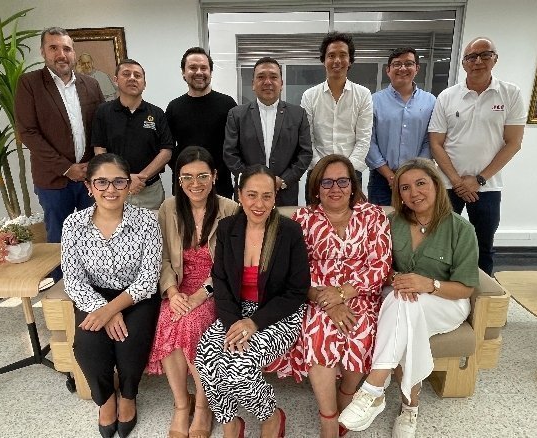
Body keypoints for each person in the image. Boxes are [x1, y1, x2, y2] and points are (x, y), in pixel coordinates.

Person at [339, 158, 479, 438]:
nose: (414, 192)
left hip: (446, 302)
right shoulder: (390, 223)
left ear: (436, 185)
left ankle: (373, 390)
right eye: (405, 187)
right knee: (406, 307)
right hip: (399, 298)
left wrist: (429, 284)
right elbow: (377, 266)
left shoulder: (461, 229)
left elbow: (465, 288)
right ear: (398, 195)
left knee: (405, 304)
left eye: (421, 183)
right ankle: (409, 408)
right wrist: (397, 279)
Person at [269, 154, 391, 438]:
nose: (335, 188)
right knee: (319, 332)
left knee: (360, 330)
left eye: (342, 181)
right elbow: (293, 269)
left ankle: (347, 394)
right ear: (316, 187)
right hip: (315, 296)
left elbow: (381, 265)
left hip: (361, 293)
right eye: (326, 182)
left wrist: (343, 293)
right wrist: (326, 300)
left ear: (353, 185)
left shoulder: (373, 216)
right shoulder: (302, 219)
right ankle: (328, 416)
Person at [194, 165, 310, 438]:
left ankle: (271, 416)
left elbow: (297, 291)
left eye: (267, 196)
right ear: (239, 195)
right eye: (252, 195)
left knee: (239, 370)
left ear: (274, 198)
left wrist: (254, 323)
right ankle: (231, 422)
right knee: (206, 359)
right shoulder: (227, 228)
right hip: (235, 312)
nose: (259, 204)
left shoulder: (289, 231)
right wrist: (235, 322)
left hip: (276, 314)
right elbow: (220, 281)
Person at [61, 153, 162, 438]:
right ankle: (105, 400)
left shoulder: (146, 221)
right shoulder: (74, 225)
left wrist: (111, 310)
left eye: (119, 181)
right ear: (89, 187)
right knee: (87, 346)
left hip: (137, 296)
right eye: (101, 182)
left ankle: (128, 397)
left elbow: (148, 279)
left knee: (130, 344)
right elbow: (73, 280)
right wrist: (102, 308)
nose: (111, 189)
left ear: (129, 185)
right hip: (93, 296)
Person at [146, 146, 238, 438]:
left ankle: (203, 404)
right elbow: (160, 257)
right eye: (187, 177)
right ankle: (181, 403)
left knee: (192, 323)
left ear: (214, 176)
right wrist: (172, 292)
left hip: (215, 288)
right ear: (179, 180)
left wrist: (201, 294)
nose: (194, 184)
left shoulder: (229, 210)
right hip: (178, 286)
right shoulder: (169, 208)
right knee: (166, 320)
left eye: (202, 176)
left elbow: (230, 265)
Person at [428, 37, 526, 275]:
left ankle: (484, 302)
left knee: (483, 245)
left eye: (485, 55)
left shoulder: (510, 94)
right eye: (472, 57)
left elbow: (513, 143)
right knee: (442, 243)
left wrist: (478, 179)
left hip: (488, 186)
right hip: (448, 185)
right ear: (464, 63)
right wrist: (459, 181)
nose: (478, 61)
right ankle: (445, 293)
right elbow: (436, 143)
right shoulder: (448, 97)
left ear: (495, 59)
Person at [15, 26, 105, 280]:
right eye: (54, 48)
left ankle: (97, 283)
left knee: (96, 233)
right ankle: (62, 290)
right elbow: (28, 133)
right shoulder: (30, 84)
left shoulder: (91, 84)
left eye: (66, 48)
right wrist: (67, 167)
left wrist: (93, 165)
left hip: (90, 176)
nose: (61, 54)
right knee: (59, 238)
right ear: (43, 51)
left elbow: (100, 127)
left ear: (74, 52)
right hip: (54, 180)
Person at [223, 57, 312, 206]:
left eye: (273, 77)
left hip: (284, 194)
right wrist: (253, 180)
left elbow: (305, 153)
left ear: (281, 83)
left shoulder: (298, 114)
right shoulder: (236, 114)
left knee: (283, 229)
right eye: (261, 77)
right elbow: (230, 153)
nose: (267, 82)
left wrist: (283, 181)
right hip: (248, 193)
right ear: (253, 84)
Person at [92, 59, 173, 210]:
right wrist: (125, 180)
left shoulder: (157, 113)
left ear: (144, 83)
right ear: (116, 80)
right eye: (126, 74)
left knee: (152, 232)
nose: (132, 78)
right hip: (114, 190)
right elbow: (99, 151)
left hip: (150, 190)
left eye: (137, 75)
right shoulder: (103, 112)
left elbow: (166, 151)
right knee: (115, 233)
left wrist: (140, 178)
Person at [301, 32, 373, 195]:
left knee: (351, 220)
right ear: (324, 60)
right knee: (315, 219)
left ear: (350, 60)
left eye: (343, 55)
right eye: (331, 55)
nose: (337, 61)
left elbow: (363, 139)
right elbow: (307, 139)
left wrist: (346, 172)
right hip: (317, 173)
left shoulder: (363, 95)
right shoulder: (310, 96)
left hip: (351, 174)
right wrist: (322, 170)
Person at [366, 47, 436, 206]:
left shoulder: (430, 101)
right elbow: (368, 141)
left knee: (415, 224)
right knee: (381, 225)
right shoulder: (374, 101)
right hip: (382, 179)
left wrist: (414, 172)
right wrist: (390, 176)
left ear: (417, 68)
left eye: (408, 64)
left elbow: (430, 140)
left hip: (418, 178)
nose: (402, 68)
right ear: (388, 70)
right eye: (397, 64)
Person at [166, 47, 238, 198]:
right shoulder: (174, 107)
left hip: (220, 185)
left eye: (204, 68)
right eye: (192, 67)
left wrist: (216, 172)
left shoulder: (227, 104)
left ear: (210, 72)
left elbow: (236, 145)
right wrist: (185, 173)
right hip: (186, 186)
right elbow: (168, 148)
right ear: (183, 73)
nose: (199, 72)